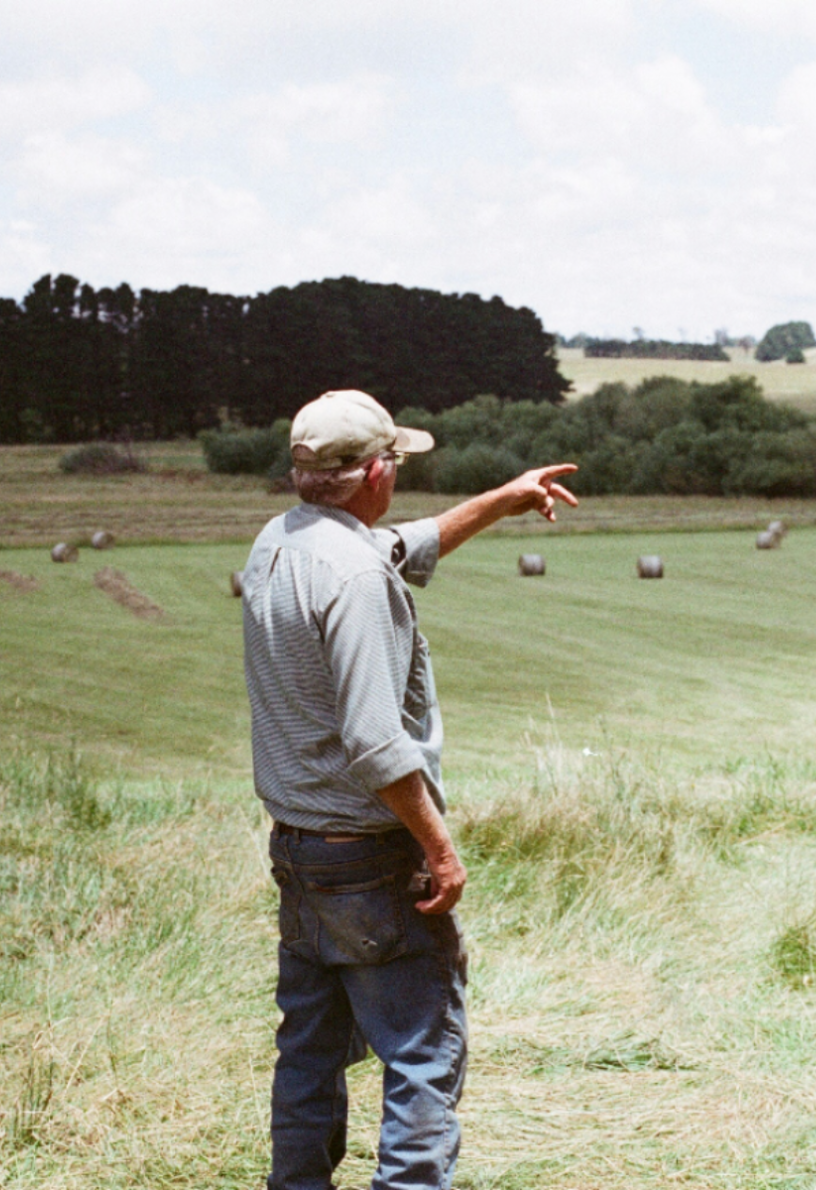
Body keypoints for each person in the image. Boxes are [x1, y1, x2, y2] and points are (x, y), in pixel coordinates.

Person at [241, 389, 578, 1190]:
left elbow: (403, 546)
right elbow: (374, 740)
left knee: (309, 1053)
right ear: (374, 472)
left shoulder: (280, 542)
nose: (398, 472)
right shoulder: (355, 576)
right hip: (367, 856)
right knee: (423, 1057)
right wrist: (437, 844)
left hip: (298, 848)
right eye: (394, 459)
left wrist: (502, 501)